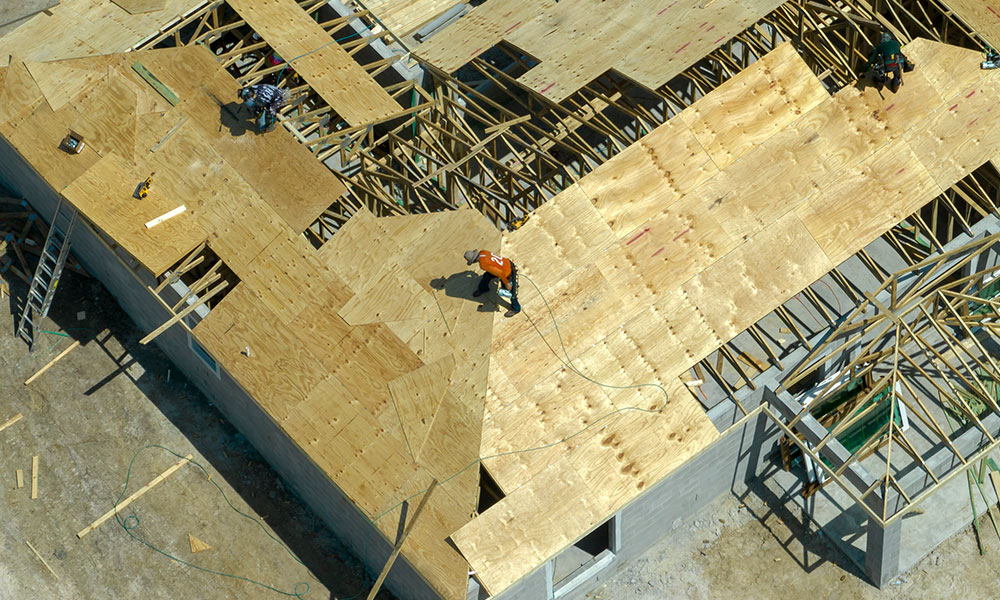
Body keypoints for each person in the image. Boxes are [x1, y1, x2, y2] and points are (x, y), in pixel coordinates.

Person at [465, 249, 520, 317]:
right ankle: (483, 288)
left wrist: (506, 283)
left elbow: (500, 273)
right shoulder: (483, 252)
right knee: (486, 276)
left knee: (511, 292)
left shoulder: (483, 264)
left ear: (473, 261)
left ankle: (516, 308)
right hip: (506, 264)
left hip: (507, 272)